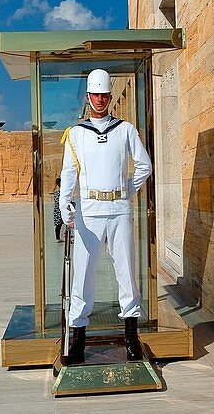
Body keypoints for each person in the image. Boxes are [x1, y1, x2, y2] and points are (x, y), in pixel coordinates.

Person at [59, 69, 153, 364]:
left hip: (119, 210)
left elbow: (144, 166)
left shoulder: (125, 129)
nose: (99, 100)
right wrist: (65, 205)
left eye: (104, 95)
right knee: (83, 274)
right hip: (89, 211)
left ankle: (131, 338)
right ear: (88, 98)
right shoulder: (76, 134)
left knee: (126, 271)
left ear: (110, 97)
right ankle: (77, 341)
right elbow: (69, 173)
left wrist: (125, 189)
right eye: (95, 95)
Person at [52, 176, 63, 241]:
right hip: (61, 209)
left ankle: (57, 238)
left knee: (58, 225)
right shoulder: (61, 193)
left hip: (57, 210)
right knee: (66, 224)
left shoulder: (56, 193)